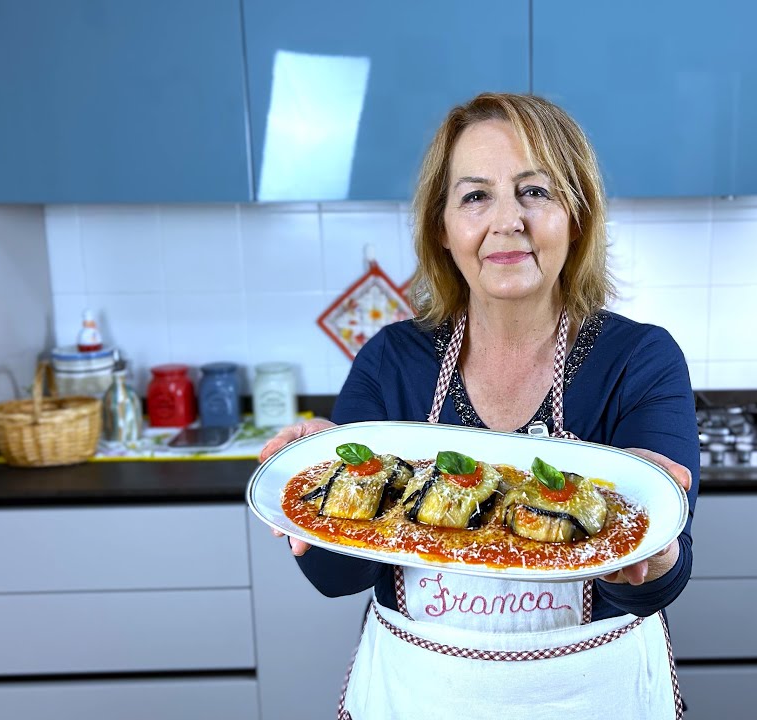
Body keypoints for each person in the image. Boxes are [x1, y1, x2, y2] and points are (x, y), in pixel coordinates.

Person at [259, 92, 699, 719]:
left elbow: (663, 583)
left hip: (592, 698)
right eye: (474, 196)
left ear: (577, 213)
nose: (507, 221)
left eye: (535, 191)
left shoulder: (640, 360)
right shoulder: (392, 360)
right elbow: (338, 579)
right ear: (442, 227)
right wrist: (321, 497)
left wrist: (651, 548)